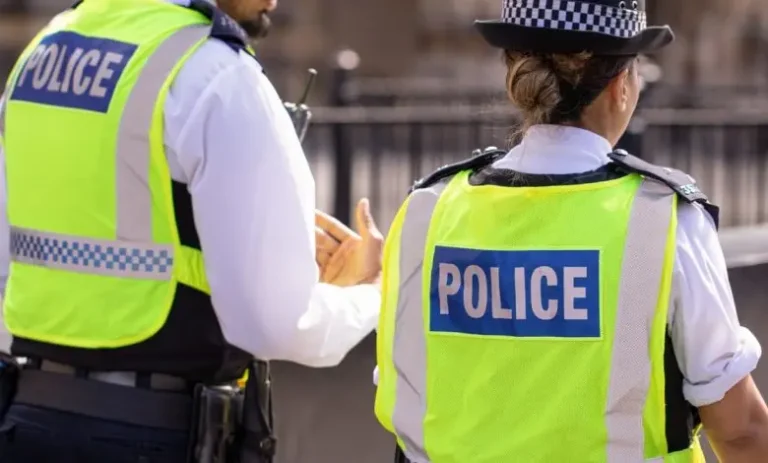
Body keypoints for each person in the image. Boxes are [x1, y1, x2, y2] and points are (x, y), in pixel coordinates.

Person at [374, 1, 768, 462]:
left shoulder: (427, 210)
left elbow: (405, 392)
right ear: (621, 86)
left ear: (517, 78)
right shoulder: (663, 220)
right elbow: (741, 431)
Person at [0, 0, 382, 461]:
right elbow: (275, 325)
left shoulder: (42, 53)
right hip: (153, 432)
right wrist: (368, 294)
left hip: (27, 422)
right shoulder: (216, 71)